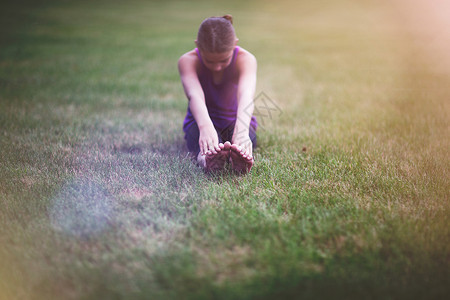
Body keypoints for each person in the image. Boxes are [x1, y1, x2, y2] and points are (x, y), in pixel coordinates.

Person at [178, 14, 257, 173]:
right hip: (202, 122)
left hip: (236, 122)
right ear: (197, 45)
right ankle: (205, 159)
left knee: (245, 136)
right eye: (209, 61)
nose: (217, 67)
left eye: (223, 60)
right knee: (199, 137)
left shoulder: (246, 59)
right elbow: (195, 96)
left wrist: (241, 132)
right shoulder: (187, 61)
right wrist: (205, 128)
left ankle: (239, 155)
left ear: (234, 44)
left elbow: (246, 96)